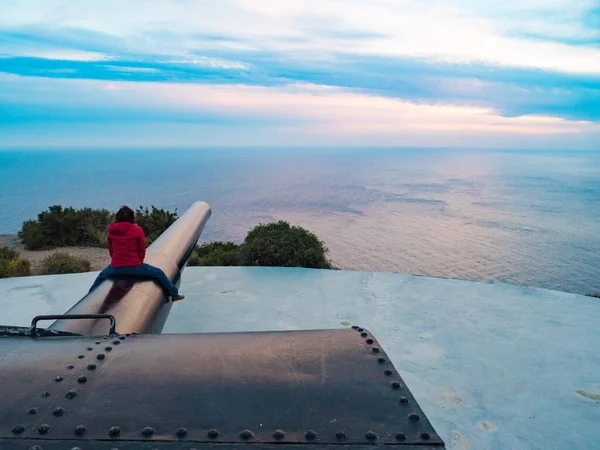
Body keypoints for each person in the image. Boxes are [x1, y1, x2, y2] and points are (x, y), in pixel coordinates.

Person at [89, 205, 185, 301]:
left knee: (101, 276)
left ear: (117, 217)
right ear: (132, 217)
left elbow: (111, 249)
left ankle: (89, 296)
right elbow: (141, 249)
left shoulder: (111, 229)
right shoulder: (137, 230)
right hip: (134, 266)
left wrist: (117, 262)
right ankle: (174, 293)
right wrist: (139, 262)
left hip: (115, 268)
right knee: (158, 273)